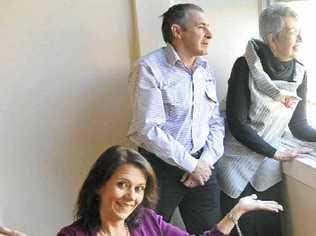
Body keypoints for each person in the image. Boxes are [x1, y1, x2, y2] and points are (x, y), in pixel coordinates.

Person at [217, 4, 316, 236]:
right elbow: (237, 124)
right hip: (235, 163)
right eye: (294, 32)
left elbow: (298, 126)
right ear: (272, 39)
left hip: (267, 169)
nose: (301, 38)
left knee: (270, 229)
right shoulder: (244, 66)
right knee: (240, 229)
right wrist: (276, 153)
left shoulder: (300, 73)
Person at [127, 3, 224, 234]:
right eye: (201, 27)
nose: (210, 34)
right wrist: (190, 165)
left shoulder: (205, 69)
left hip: (204, 166)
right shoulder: (149, 68)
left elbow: (216, 122)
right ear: (177, 32)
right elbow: (147, 130)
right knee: (147, 231)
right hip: (159, 169)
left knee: (213, 231)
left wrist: (204, 164)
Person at [57, 145, 283, 236]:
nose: (131, 197)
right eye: (122, 185)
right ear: (99, 185)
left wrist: (237, 212)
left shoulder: (148, 221)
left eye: (139, 189)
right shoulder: (72, 235)